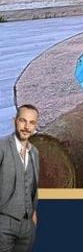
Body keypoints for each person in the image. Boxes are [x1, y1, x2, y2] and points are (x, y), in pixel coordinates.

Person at [0, 105, 39, 252]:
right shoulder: (2, 147)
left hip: (27, 226)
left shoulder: (34, 152)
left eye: (32, 123)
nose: (27, 127)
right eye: (23, 121)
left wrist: (33, 216)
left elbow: (33, 186)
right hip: (4, 222)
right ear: (14, 121)